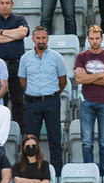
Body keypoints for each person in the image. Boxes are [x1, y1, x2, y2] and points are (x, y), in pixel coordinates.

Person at [19, 27, 68, 166]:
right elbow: (23, 81)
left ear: (48, 38)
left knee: (55, 139)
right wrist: (33, 92)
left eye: (43, 38)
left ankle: (57, 172)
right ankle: (31, 170)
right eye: (38, 38)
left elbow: (62, 80)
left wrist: (53, 93)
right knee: (30, 141)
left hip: (51, 101)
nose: (41, 41)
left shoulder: (57, 57)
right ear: (33, 39)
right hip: (32, 102)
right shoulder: (25, 58)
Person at [76, 25, 104, 174]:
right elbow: (79, 78)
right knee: (87, 141)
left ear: (102, 39)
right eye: (91, 38)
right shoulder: (81, 56)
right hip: (87, 102)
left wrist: (89, 78)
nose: (94, 41)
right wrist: (101, 75)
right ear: (88, 39)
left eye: (97, 38)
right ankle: (89, 172)